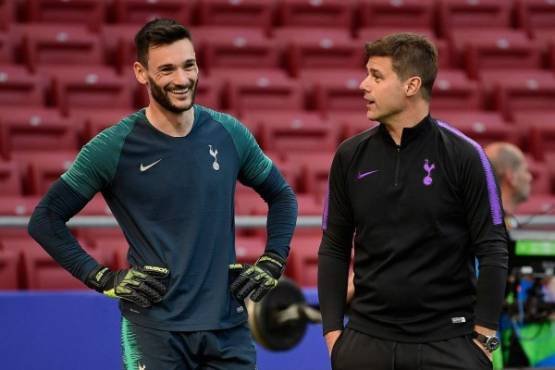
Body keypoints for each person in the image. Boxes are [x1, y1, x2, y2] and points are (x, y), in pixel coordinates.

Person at [28, 18, 297, 370]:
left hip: (228, 328)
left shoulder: (229, 133)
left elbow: (282, 196)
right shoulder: (113, 147)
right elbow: (45, 219)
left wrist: (274, 259)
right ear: (141, 72)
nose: (183, 80)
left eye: (189, 65)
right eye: (167, 70)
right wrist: (101, 278)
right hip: (154, 332)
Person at [318, 33, 508, 370]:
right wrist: (333, 334)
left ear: (411, 85)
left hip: (448, 346)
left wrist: (484, 340)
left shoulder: (466, 156)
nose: (363, 85)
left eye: (376, 76)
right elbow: (334, 246)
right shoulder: (349, 156)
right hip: (365, 345)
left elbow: (493, 248)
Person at [485, 142, 532, 229]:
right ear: (511, 177)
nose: (529, 178)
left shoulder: (482, 219)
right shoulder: (496, 228)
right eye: (525, 170)